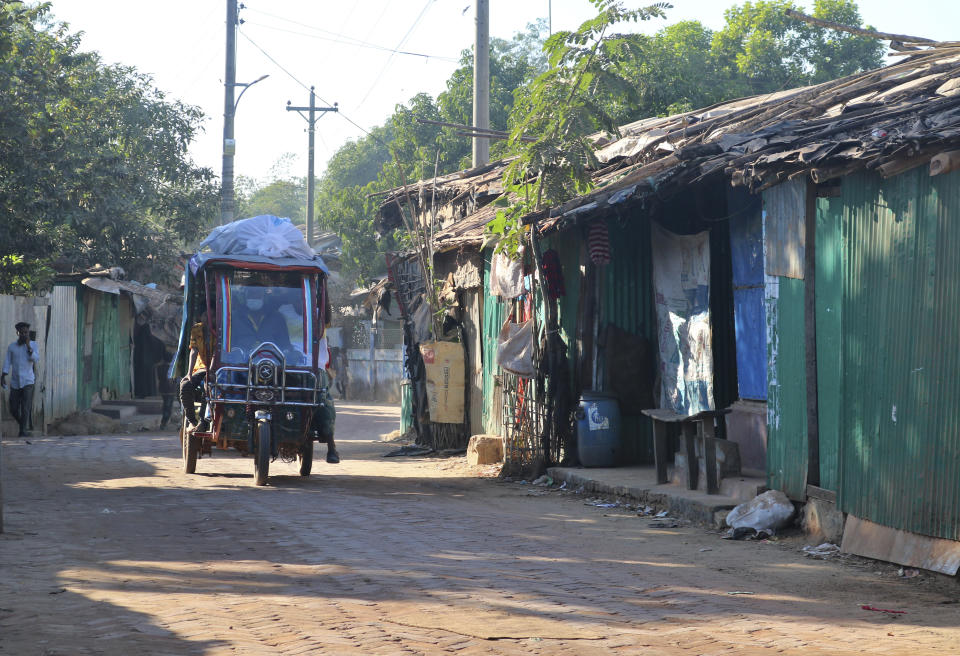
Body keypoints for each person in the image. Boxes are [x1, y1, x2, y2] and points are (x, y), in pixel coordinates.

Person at [2, 321, 39, 437]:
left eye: (26, 332)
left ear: (28, 333)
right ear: (18, 333)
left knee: (25, 407)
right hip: (15, 382)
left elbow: (35, 359)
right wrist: (3, 375)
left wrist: (28, 347)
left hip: (28, 381)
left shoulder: (33, 345)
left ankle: (22, 431)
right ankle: (23, 426)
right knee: (13, 408)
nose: (24, 334)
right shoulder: (12, 347)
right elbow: (7, 361)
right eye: (22, 332)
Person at [179, 312, 209, 432]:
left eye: (212, 315)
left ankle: (203, 421)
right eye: (206, 315)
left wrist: (211, 370)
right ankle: (192, 421)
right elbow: (194, 351)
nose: (208, 318)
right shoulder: (196, 329)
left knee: (209, 387)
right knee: (185, 386)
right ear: (201, 316)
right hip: (200, 368)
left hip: (217, 369)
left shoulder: (222, 329)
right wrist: (189, 373)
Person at [157, 350, 176, 429]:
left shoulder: (159, 367)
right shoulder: (173, 368)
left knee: (166, 405)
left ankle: (164, 422)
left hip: (163, 389)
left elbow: (159, 378)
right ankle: (164, 422)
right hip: (171, 389)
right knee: (168, 406)